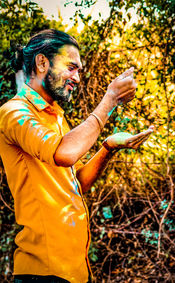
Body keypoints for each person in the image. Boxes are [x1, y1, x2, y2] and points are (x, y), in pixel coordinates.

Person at [0, 29, 153, 283]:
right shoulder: (14, 113)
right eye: (71, 67)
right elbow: (65, 153)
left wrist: (108, 147)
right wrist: (110, 99)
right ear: (41, 63)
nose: (78, 78)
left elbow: (78, 182)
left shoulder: (56, 117)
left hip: (75, 272)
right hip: (42, 274)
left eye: (79, 70)